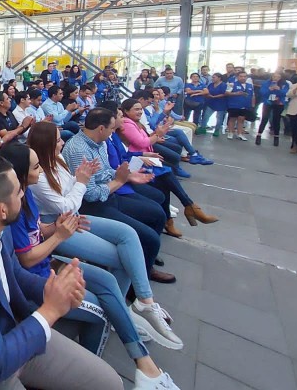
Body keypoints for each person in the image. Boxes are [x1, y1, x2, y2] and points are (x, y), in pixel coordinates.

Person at [0, 156, 123, 390]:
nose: (24, 194)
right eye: (18, 191)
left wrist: (51, 290)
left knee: (110, 383)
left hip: (15, 331)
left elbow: (14, 273)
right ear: (2, 210)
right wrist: (50, 310)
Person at [0, 143, 181, 390]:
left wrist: (56, 227)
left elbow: (38, 230)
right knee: (103, 312)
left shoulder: (26, 193)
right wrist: (59, 236)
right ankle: (93, 374)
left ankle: (144, 363)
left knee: (107, 280)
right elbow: (26, 259)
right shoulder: (12, 207)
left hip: (47, 265)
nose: (40, 170)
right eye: (35, 167)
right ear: (20, 174)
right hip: (39, 280)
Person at [26, 121, 183, 350]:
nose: (62, 142)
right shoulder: (39, 176)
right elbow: (66, 204)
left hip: (74, 216)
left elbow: (72, 192)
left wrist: (82, 180)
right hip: (61, 225)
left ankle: (144, 301)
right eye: (58, 140)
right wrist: (82, 182)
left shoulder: (56, 160)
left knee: (128, 235)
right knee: (122, 258)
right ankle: (120, 312)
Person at [61, 109, 175, 283]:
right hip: (93, 206)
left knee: (157, 214)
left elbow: (106, 171)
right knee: (150, 238)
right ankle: (139, 279)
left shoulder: (99, 143)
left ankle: (146, 260)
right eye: (111, 128)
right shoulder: (78, 149)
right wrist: (120, 181)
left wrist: (125, 175)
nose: (113, 132)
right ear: (101, 128)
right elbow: (90, 194)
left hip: (109, 195)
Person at [116, 101, 218, 234]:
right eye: (136, 109)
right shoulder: (127, 124)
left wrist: (158, 133)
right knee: (167, 171)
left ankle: (173, 218)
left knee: (165, 179)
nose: (140, 111)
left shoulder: (135, 123)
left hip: (143, 157)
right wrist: (157, 135)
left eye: (140, 109)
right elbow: (140, 143)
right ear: (126, 111)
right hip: (135, 163)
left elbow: (144, 139)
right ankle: (189, 207)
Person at [256, 71, 288, 146]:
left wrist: (278, 90)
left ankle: (276, 137)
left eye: (278, 77)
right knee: (265, 118)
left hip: (279, 103)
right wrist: (269, 89)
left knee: (276, 120)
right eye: (274, 76)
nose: (276, 78)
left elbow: (285, 93)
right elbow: (262, 93)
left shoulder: (284, 84)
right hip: (268, 102)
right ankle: (259, 135)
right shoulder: (266, 83)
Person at [225, 70, 255, 141]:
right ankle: (230, 132)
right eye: (241, 76)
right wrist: (236, 93)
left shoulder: (250, 85)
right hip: (234, 105)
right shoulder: (232, 84)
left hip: (245, 105)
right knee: (232, 119)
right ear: (237, 77)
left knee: (241, 119)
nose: (243, 78)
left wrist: (253, 105)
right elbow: (226, 93)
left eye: (244, 76)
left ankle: (240, 133)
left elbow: (253, 95)